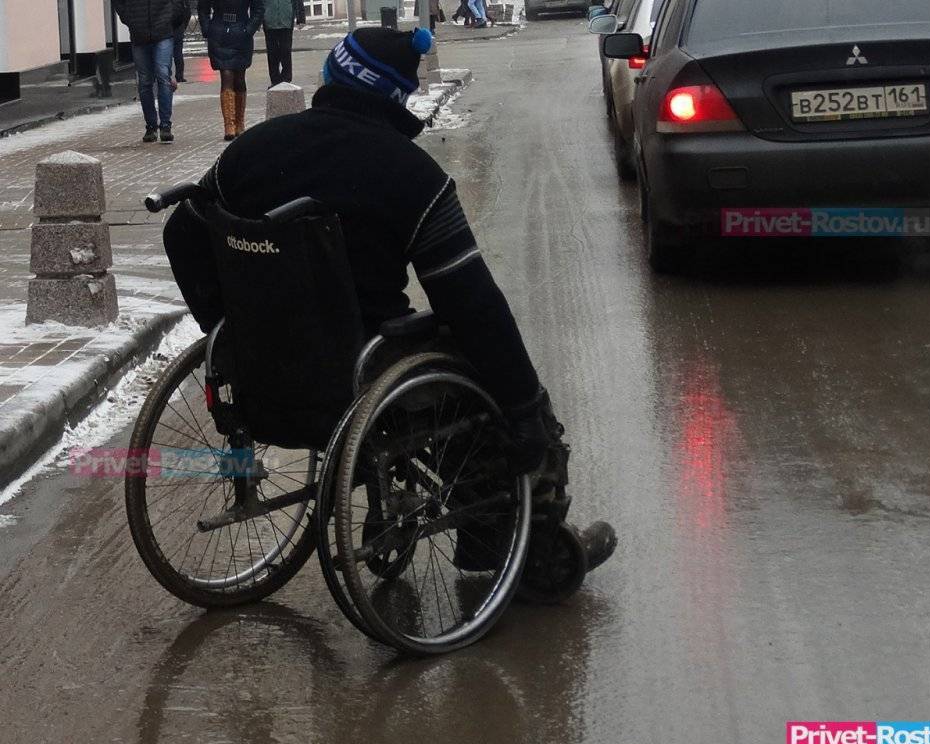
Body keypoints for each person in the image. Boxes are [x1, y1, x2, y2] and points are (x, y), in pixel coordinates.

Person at [162, 27, 617, 581]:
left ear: (332, 78)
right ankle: (517, 548)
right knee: (485, 378)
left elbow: (181, 236)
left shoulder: (251, 152)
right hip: (362, 370)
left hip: (261, 366)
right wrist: (523, 408)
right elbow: (471, 303)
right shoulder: (411, 176)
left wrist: (229, 326)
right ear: (396, 95)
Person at [112, 0, 188, 143]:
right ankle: (151, 125)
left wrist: (171, 16)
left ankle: (165, 125)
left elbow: (179, 4)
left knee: (162, 75)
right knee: (145, 80)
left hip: (163, 31)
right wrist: (129, 18)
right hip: (139, 33)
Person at [198, 0, 265, 140]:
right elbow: (203, 8)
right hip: (219, 34)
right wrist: (207, 29)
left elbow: (258, 8)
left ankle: (239, 122)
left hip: (241, 32)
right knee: (226, 75)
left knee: (240, 78)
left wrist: (249, 29)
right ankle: (229, 125)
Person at [263, 0, 306, 87]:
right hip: (269, 21)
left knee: (286, 51)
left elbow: (298, 2)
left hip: (286, 20)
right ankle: (275, 80)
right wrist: (257, 19)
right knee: (272, 53)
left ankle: (286, 79)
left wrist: (301, 18)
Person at [172, 2, 193, 82]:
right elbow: (187, 12)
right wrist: (183, 26)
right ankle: (179, 75)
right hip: (178, 26)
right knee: (178, 52)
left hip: (166, 26)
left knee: (165, 52)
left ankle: (166, 75)